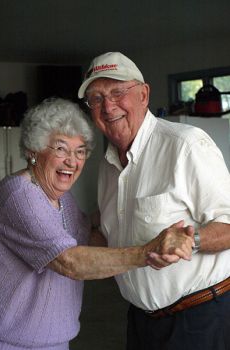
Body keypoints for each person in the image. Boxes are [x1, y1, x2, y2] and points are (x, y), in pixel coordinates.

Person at [0, 97, 193, 350]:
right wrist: (148, 251)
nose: (72, 161)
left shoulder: (63, 199)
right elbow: (71, 261)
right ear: (33, 150)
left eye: (80, 151)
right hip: (5, 342)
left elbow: (89, 238)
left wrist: (135, 212)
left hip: (52, 341)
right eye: (61, 149)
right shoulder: (19, 196)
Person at [78, 52, 230, 350]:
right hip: (141, 322)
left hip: (198, 320)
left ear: (144, 95)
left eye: (118, 93)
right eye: (96, 99)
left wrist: (192, 240)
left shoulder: (185, 145)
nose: (108, 107)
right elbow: (112, 235)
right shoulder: (107, 166)